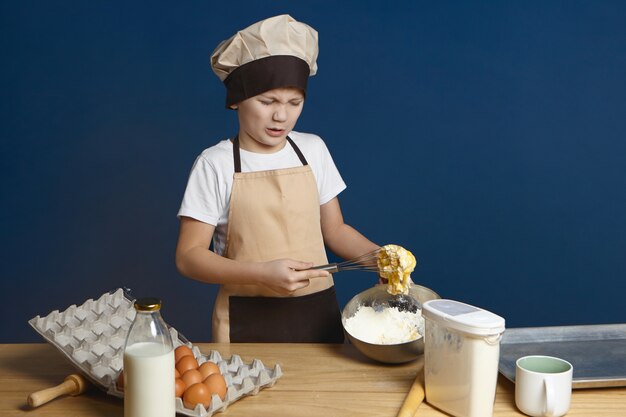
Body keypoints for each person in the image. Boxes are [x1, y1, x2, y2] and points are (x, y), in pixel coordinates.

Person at [176, 14, 380, 343]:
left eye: (294, 102)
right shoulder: (215, 164)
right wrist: (260, 273)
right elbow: (188, 257)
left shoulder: (313, 149)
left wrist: (382, 259)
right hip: (245, 320)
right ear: (237, 100)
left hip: (319, 316)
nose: (281, 115)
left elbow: (335, 230)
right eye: (267, 101)